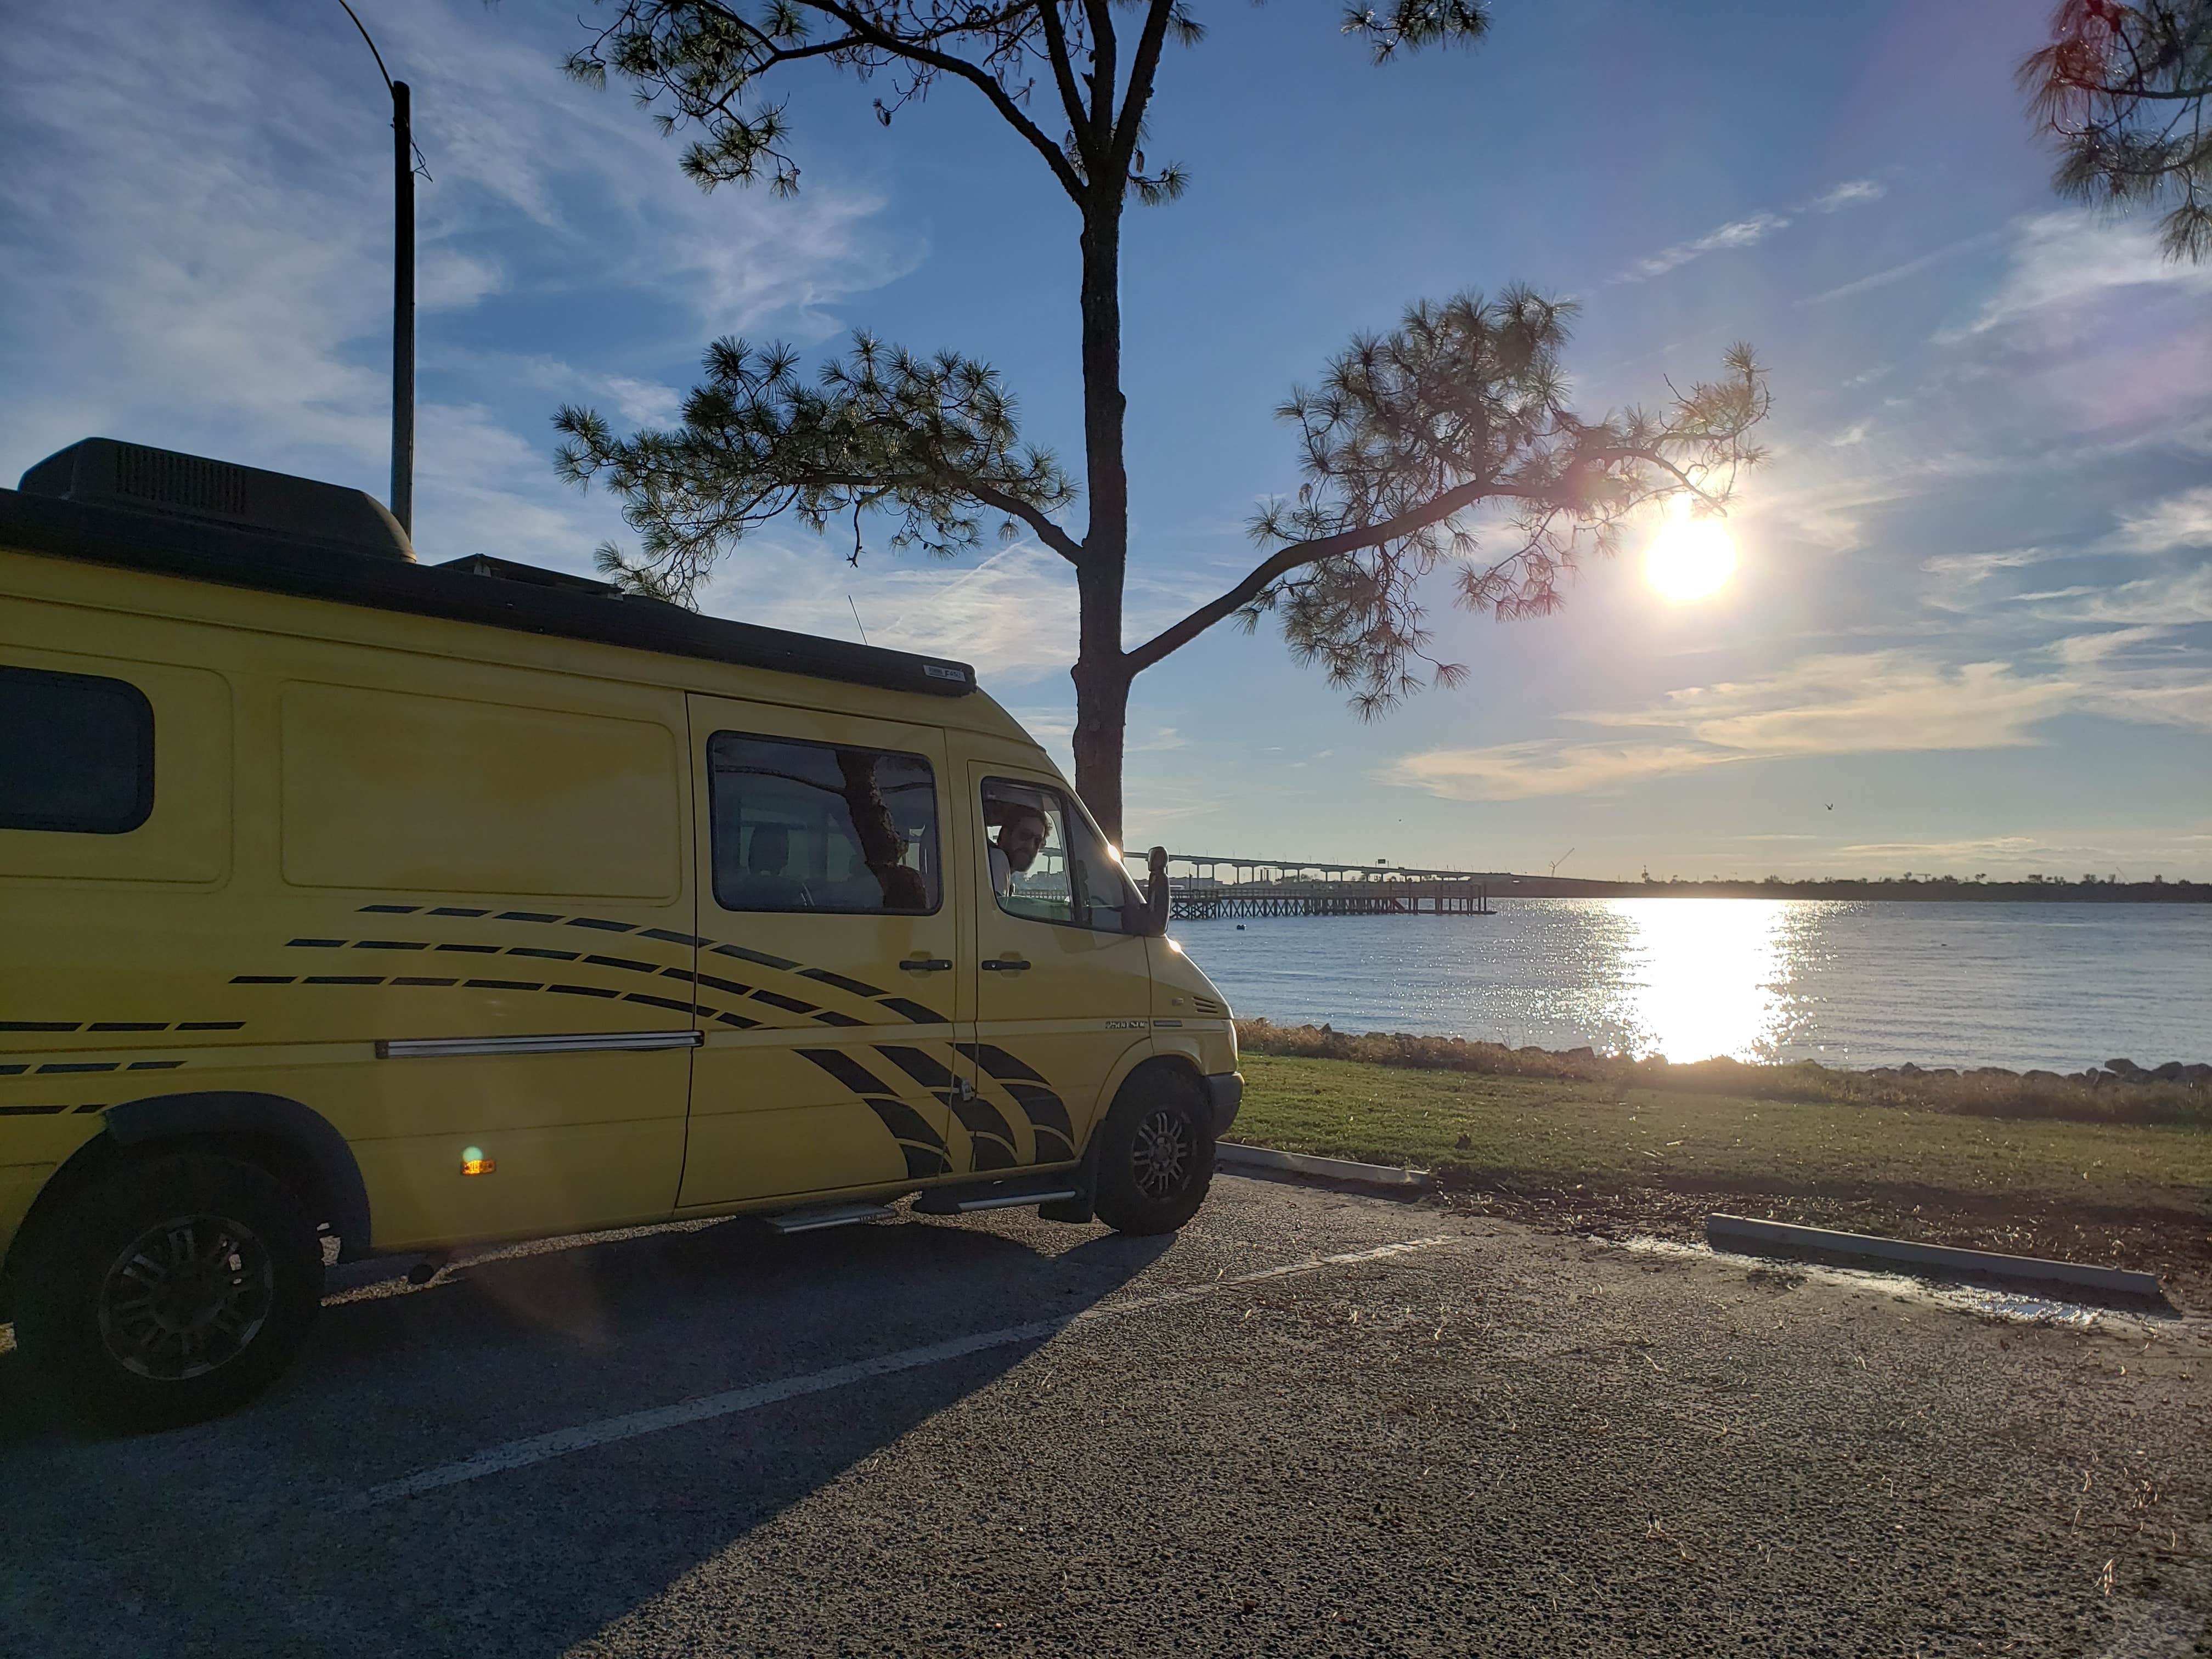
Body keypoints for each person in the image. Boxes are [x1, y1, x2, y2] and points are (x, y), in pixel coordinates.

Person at [988, 803, 1049, 897]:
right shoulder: (997, 859)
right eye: (1025, 835)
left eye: (1037, 841)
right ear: (1005, 835)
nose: (1030, 846)